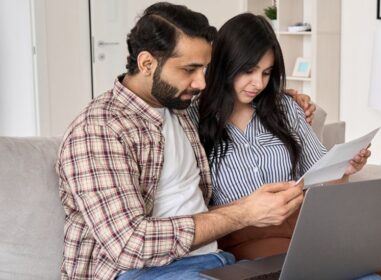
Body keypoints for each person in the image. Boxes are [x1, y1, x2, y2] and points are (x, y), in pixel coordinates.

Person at [56, 3, 311, 280]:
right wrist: (243, 214)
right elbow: (130, 245)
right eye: (190, 69)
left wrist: (283, 96)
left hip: (213, 262)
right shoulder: (99, 130)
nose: (201, 82)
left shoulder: (179, 112)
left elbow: (192, 213)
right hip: (139, 273)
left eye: (205, 68)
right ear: (146, 63)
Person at [194, 13, 381, 280]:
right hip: (248, 233)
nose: (258, 83)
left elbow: (322, 179)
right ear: (225, 63)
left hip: (309, 221)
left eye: (266, 73)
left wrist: (344, 167)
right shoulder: (194, 117)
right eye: (248, 71)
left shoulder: (285, 108)